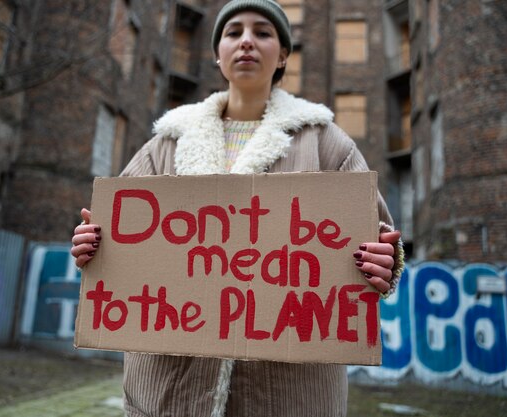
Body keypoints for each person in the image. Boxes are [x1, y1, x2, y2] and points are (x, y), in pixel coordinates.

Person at [71, 1, 404, 416]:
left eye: (262, 33)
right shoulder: (167, 143)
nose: (247, 41)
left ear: (283, 54)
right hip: (168, 392)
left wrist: (385, 262)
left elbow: (381, 236)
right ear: (217, 52)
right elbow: (113, 232)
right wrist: (91, 246)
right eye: (233, 32)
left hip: (289, 397)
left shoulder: (325, 141)